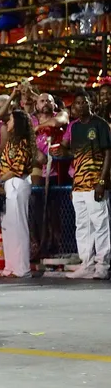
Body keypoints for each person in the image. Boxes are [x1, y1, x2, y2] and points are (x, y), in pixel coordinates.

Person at [55, 90, 111, 280]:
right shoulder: (74, 127)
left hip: (96, 183)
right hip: (79, 184)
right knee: (83, 225)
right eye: (76, 103)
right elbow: (72, 154)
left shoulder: (101, 125)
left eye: (83, 102)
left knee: (101, 225)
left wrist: (102, 182)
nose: (80, 105)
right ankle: (86, 264)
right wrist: (74, 185)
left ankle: (103, 265)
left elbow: (108, 154)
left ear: (90, 104)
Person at [0, 109, 36, 278]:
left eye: (11, 120)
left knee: (20, 227)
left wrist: (0, 179)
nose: (7, 122)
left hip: (18, 184)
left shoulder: (24, 142)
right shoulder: (11, 142)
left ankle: (23, 268)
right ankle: (11, 266)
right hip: (8, 185)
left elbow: (16, 169)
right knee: (9, 227)